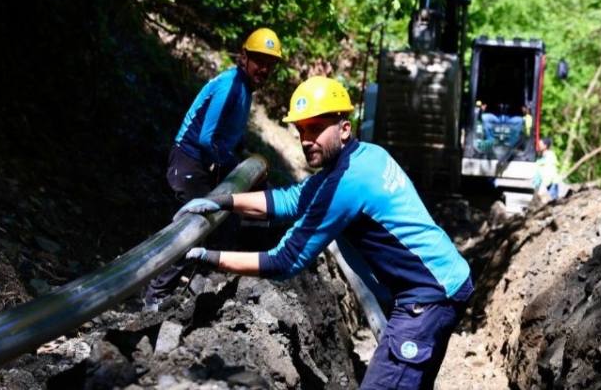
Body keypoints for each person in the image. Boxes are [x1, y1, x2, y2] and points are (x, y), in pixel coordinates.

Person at [175, 76, 474, 389]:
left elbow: (284, 262)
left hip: (426, 299)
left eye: (316, 128)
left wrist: (205, 257)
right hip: (446, 280)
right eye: (301, 130)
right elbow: (291, 200)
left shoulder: (346, 184)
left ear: (344, 128)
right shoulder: (367, 156)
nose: (306, 139)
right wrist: (220, 202)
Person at [143, 27, 283, 312]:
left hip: (201, 161)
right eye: (260, 61)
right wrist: (236, 169)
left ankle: (237, 272)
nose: (265, 68)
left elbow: (228, 132)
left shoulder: (243, 88)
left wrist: (243, 153)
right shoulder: (231, 86)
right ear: (244, 57)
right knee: (193, 228)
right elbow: (208, 138)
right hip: (189, 159)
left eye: (270, 64)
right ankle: (155, 296)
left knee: (208, 224)